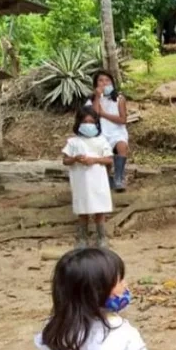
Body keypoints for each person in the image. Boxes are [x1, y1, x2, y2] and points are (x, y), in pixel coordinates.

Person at [62, 106, 114, 248]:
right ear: (79, 123)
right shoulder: (73, 142)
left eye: (91, 122)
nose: (88, 125)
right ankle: (82, 238)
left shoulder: (101, 141)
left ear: (96, 123)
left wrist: (94, 160)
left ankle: (102, 237)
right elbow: (65, 160)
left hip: (98, 181)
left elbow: (109, 159)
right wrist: (75, 159)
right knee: (82, 209)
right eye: (85, 122)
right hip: (81, 182)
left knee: (99, 209)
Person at [88, 71, 129, 192]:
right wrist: (97, 97)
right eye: (100, 80)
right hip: (101, 132)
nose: (104, 83)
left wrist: (104, 114)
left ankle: (119, 178)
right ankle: (106, 178)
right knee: (105, 154)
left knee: (121, 145)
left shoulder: (119, 99)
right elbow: (95, 115)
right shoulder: (93, 100)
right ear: (96, 84)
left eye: (107, 80)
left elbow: (123, 119)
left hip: (117, 132)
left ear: (112, 83)